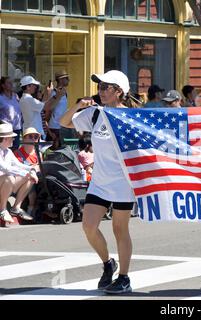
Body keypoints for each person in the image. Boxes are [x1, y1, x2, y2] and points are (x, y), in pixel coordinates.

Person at [60, 70, 138, 294]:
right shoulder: (94, 113)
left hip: (123, 183)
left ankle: (124, 278)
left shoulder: (131, 118)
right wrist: (79, 106)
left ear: (119, 92)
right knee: (89, 226)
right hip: (100, 182)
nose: (100, 91)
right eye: (99, 87)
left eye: (106, 87)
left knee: (119, 229)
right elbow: (64, 122)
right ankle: (107, 264)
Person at [0, 122, 38, 223]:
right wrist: (24, 173)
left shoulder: (8, 151)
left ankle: (16, 208)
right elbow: (5, 168)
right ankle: (2, 210)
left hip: (6, 184)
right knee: (9, 177)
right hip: (4, 182)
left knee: (30, 178)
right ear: (5, 139)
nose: (13, 139)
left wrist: (31, 170)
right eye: (11, 137)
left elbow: (18, 165)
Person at [13, 127, 42, 218]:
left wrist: (36, 168)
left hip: (39, 179)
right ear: (24, 138)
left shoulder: (39, 153)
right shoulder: (17, 153)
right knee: (31, 179)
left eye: (36, 136)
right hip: (23, 179)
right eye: (30, 136)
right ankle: (30, 207)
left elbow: (41, 167)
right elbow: (17, 169)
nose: (33, 139)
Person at [19, 75, 54, 140]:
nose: (35, 87)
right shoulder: (28, 99)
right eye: (33, 85)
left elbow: (42, 104)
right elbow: (45, 107)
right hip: (34, 133)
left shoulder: (25, 98)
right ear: (28, 86)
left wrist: (47, 93)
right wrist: (52, 94)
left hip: (31, 131)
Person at [47, 70, 70, 145]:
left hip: (62, 126)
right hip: (54, 127)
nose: (68, 80)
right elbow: (49, 109)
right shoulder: (53, 93)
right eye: (66, 78)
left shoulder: (65, 92)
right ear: (60, 79)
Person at [0, 76, 22, 150]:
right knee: (6, 149)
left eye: (11, 83)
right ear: (3, 85)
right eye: (9, 83)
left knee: (15, 148)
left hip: (17, 128)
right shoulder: (1, 98)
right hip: (6, 129)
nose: (11, 84)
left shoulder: (15, 96)